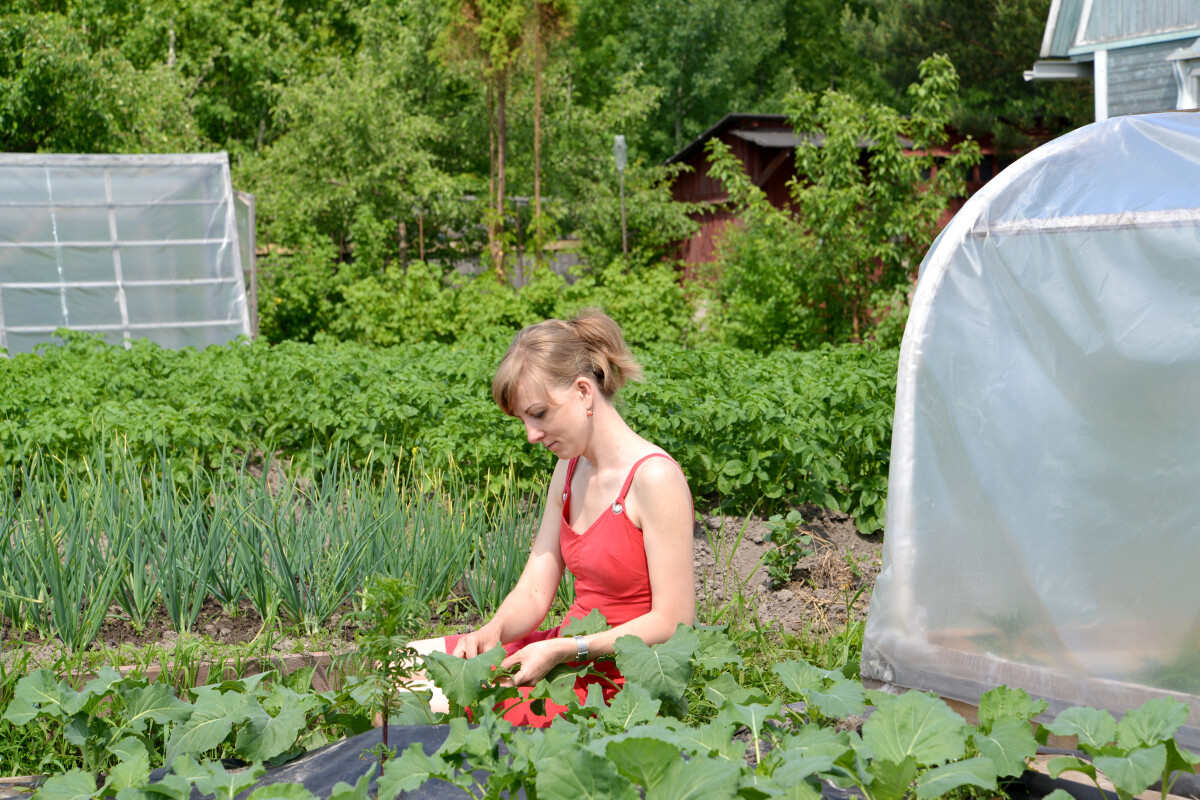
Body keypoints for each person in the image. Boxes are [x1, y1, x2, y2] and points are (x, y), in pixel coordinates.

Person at [407, 309, 696, 725]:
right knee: (396, 667)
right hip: (562, 651)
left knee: (413, 705)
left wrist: (568, 649)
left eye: (538, 414)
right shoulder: (570, 467)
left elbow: (673, 622)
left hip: (612, 674)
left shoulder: (654, 478)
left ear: (583, 391)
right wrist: (494, 630)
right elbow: (535, 591)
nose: (531, 434)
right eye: (524, 419)